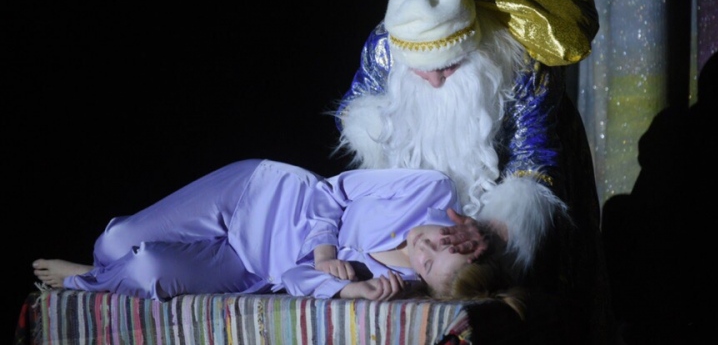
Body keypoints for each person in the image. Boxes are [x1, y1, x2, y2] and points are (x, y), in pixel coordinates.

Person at [332, 0, 602, 280]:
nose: (435, 81)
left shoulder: (521, 63)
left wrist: (495, 230)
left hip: (512, 172)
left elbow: (532, 160)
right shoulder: (382, 46)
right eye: (420, 71)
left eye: (448, 67)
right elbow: (355, 111)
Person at [32, 158, 518, 304]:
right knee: (113, 243)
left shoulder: (396, 283)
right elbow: (330, 191)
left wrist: (349, 288)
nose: (424, 246)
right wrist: (325, 252)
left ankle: (87, 278)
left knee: (148, 270)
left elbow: (292, 277)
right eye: (442, 240)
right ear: (462, 239)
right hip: (257, 195)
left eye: (428, 263)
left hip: (249, 266)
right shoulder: (430, 189)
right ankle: (97, 266)